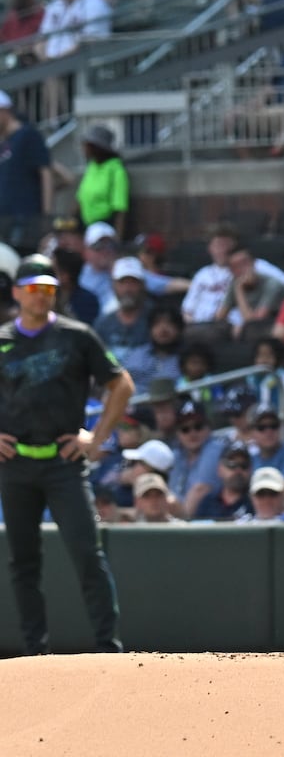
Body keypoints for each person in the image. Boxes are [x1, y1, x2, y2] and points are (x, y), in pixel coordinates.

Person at [0, 253, 133, 653]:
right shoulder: (3, 339)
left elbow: (121, 384)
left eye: (49, 289)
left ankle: (108, 647)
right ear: (16, 293)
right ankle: (34, 652)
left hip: (64, 463)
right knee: (23, 563)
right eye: (34, 289)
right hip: (15, 463)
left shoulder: (77, 335)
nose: (42, 296)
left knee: (86, 555)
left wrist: (96, 437)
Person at [0, 90, 54, 251]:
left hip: (25, 221)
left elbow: (46, 174)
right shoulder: (5, 141)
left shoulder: (29, 135)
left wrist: (46, 219)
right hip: (6, 221)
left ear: (4, 111)